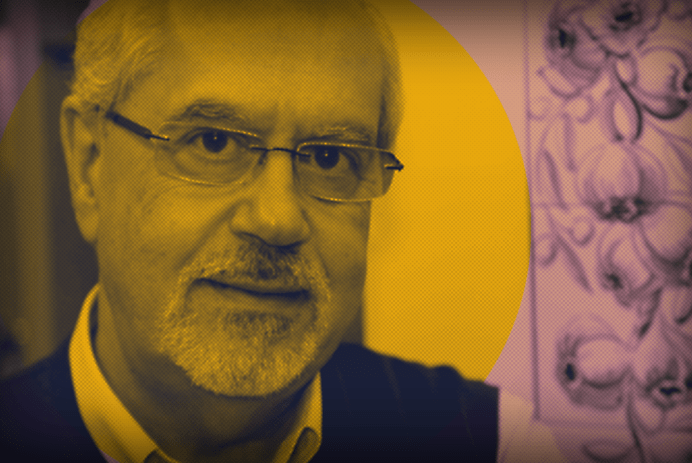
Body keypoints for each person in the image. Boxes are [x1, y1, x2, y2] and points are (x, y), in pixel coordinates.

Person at [0, 0, 564, 461]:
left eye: (328, 157)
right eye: (213, 142)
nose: (277, 219)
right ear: (89, 164)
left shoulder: (490, 442)